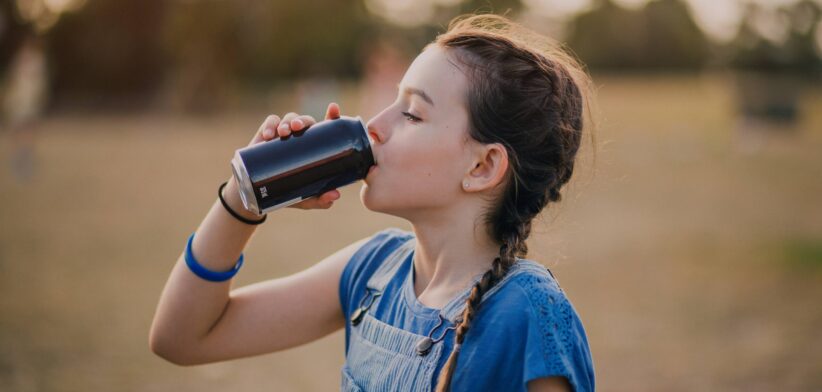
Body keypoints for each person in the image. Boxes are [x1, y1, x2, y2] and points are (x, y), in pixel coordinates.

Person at [150, 13, 596, 392]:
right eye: (390, 101)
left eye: (412, 113)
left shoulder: (529, 315)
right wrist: (244, 198)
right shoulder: (372, 270)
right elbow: (182, 338)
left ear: (482, 167)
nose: (373, 125)